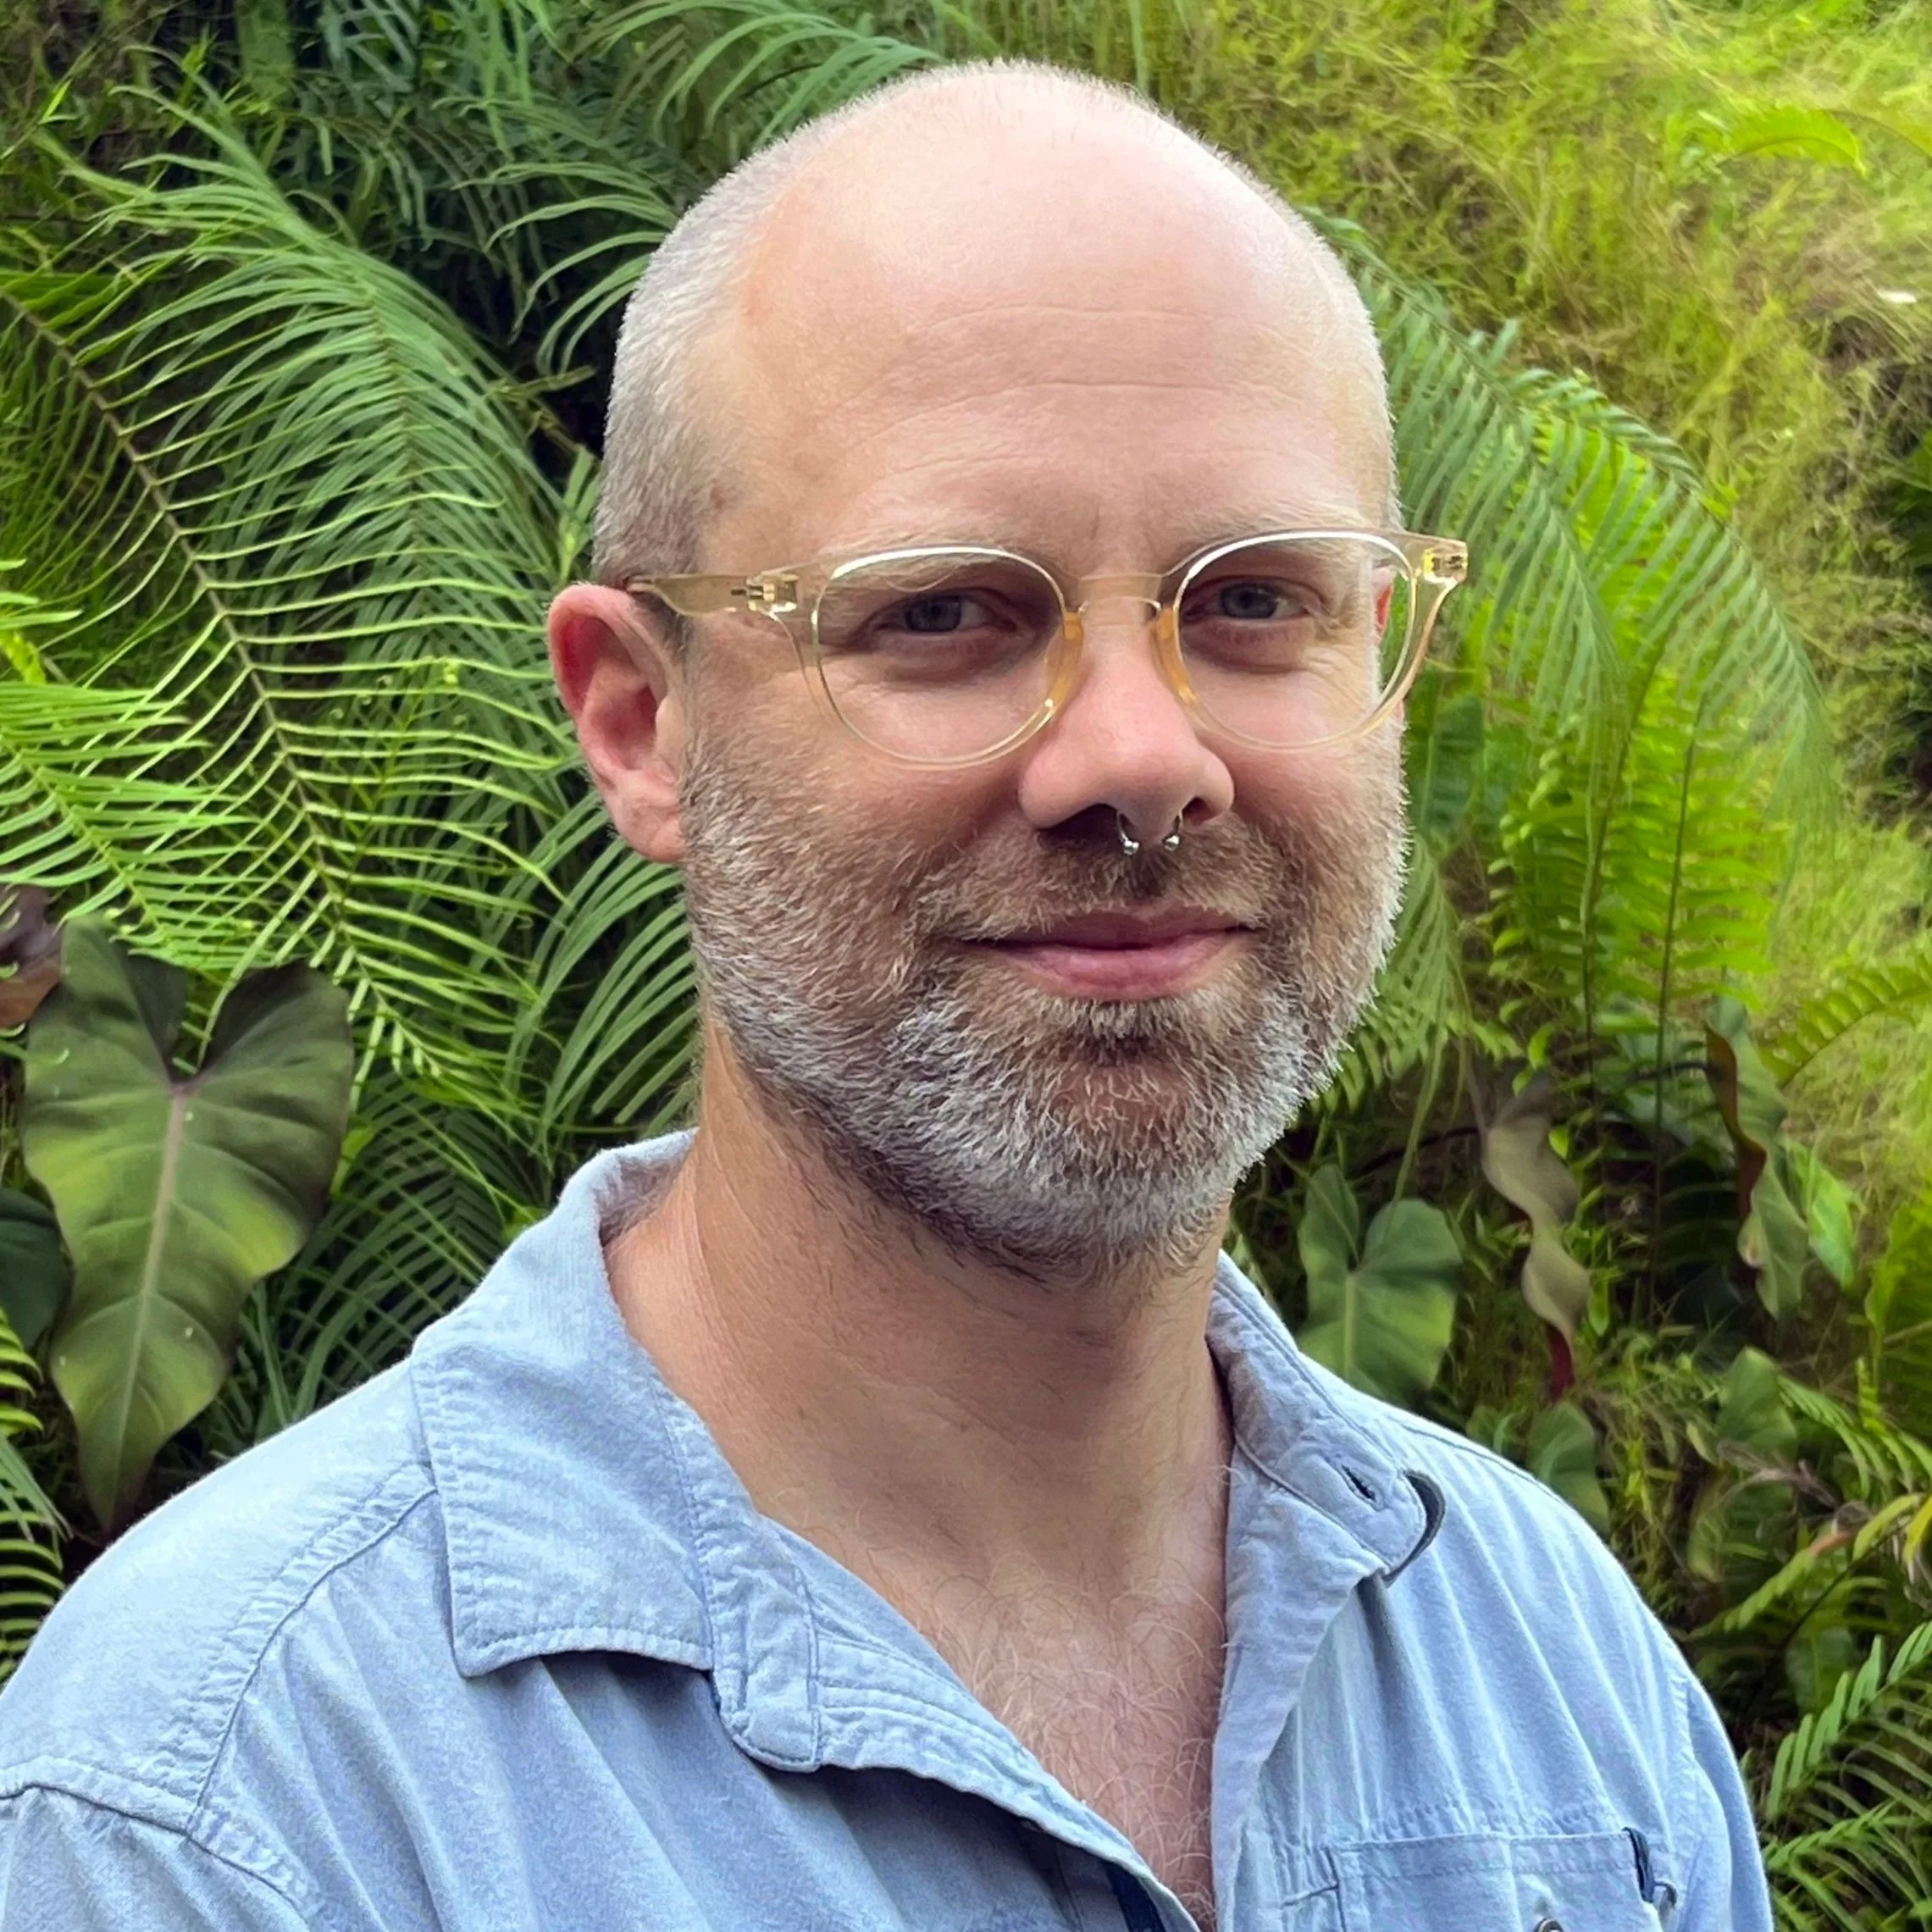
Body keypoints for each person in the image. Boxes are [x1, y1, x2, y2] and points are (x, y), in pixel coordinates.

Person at [0, 59, 1769, 1932]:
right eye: (942, 612)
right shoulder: (234, 1811)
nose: (1142, 757)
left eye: (1257, 601)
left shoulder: (1556, 1676)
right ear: (643, 721)